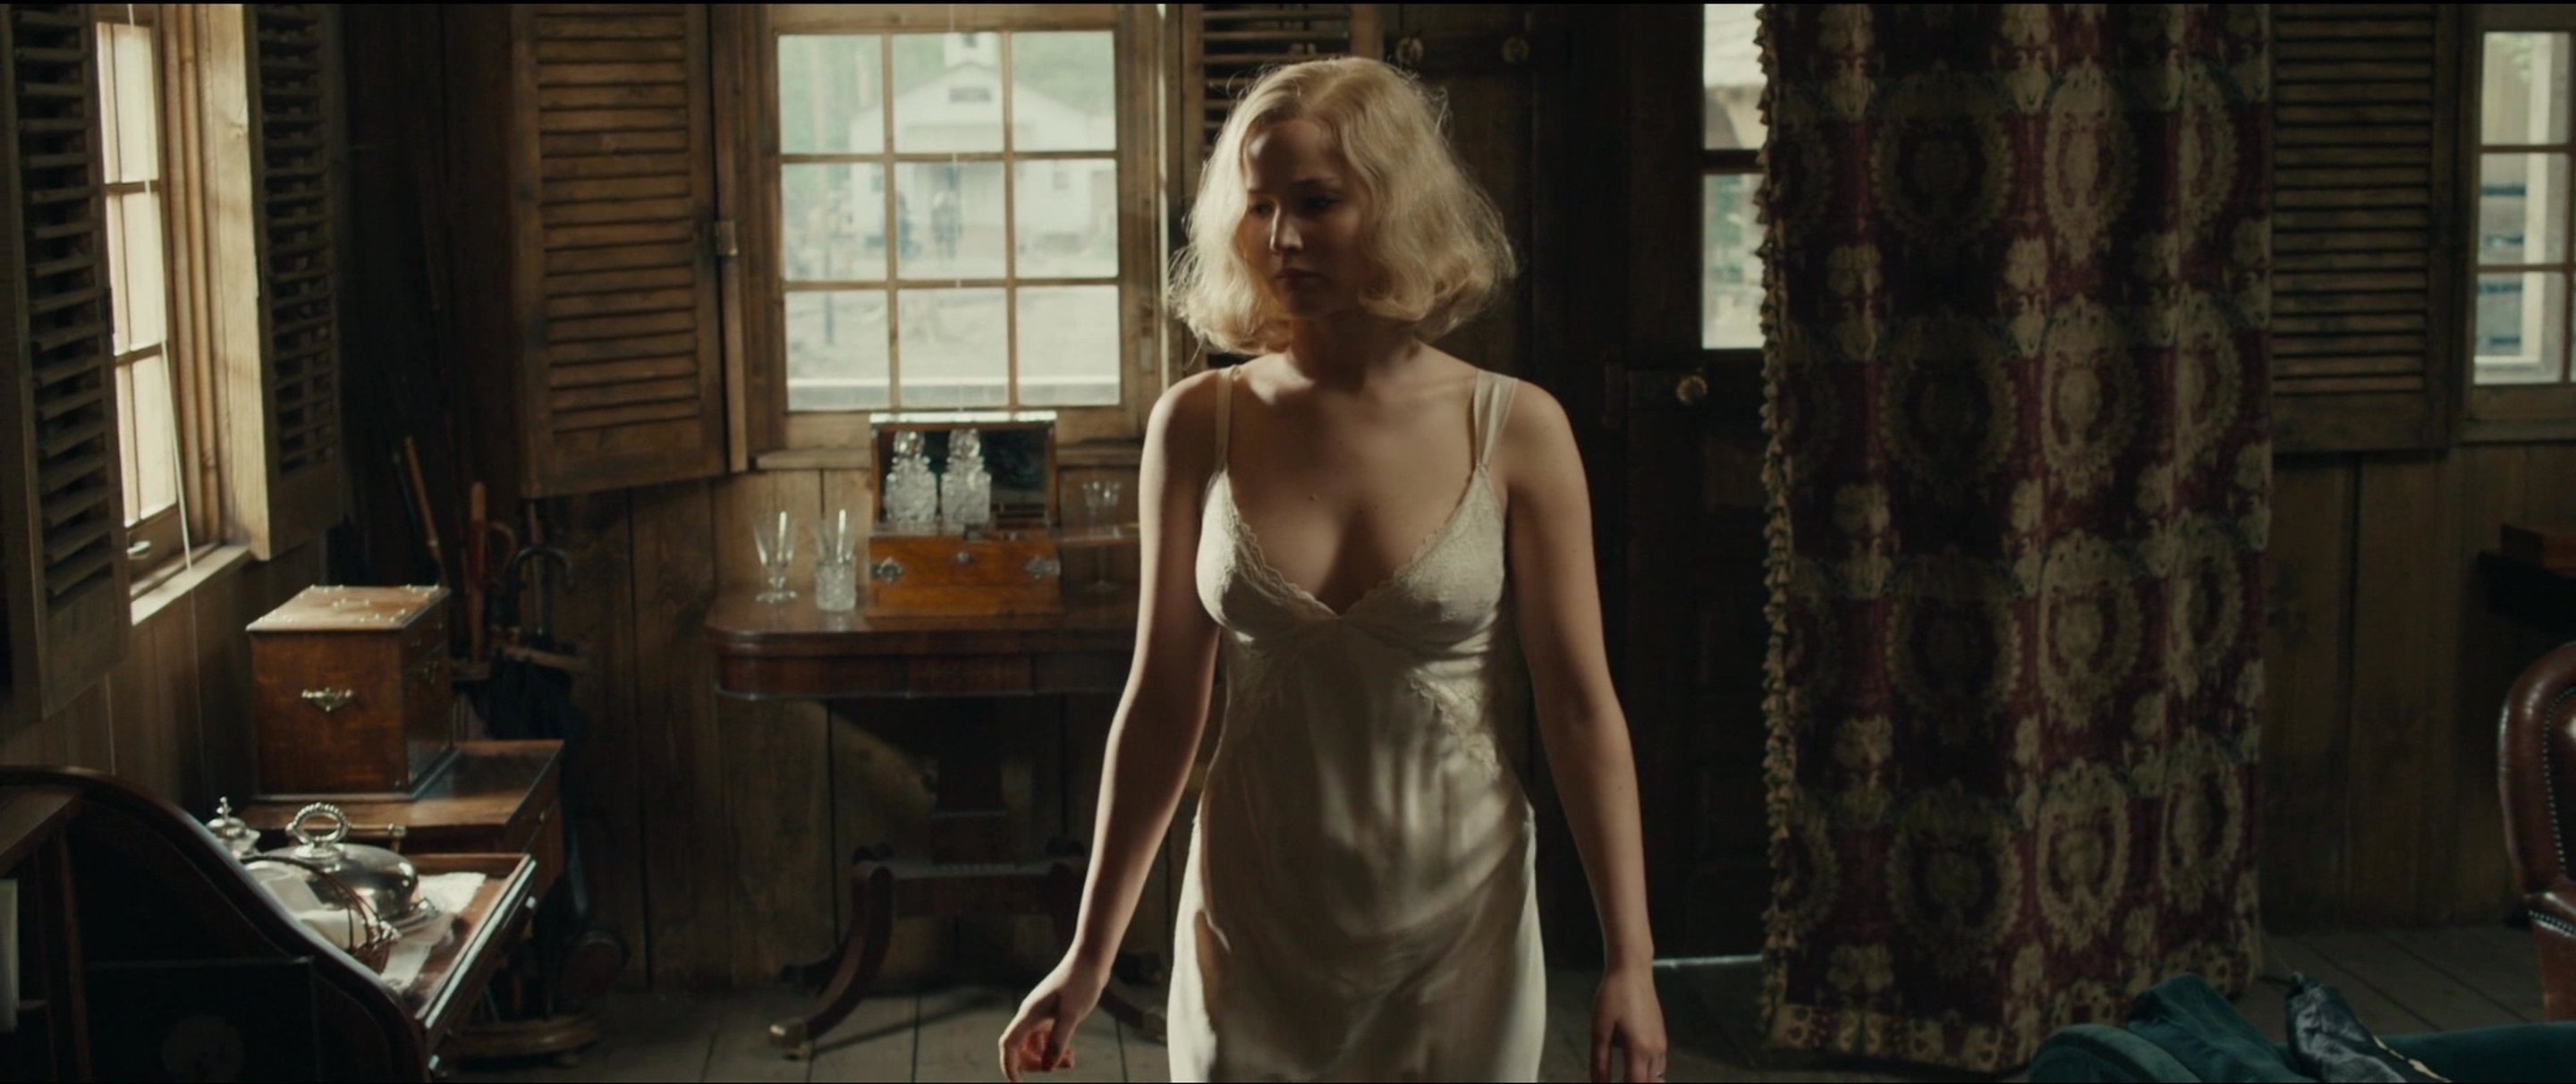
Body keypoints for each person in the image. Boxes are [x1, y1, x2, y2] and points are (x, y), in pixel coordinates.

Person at [998, 57, 1669, 1083]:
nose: (1281, 238)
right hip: (1253, 925)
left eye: (1316, 202)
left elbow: (1580, 709)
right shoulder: (1199, 424)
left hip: (1460, 927)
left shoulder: (1515, 428)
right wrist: (1089, 956)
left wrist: (1632, 960)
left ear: (1396, 206)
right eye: (1259, 205)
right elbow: (1162, 705)